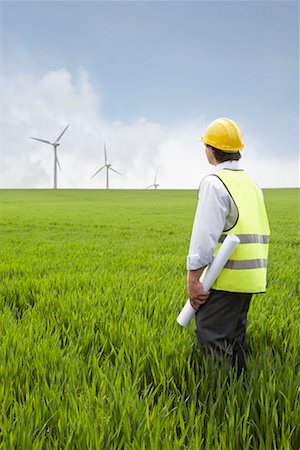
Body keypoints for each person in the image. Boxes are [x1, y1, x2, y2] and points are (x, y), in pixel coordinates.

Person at [187, 117, 270, 374]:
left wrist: (193, 278)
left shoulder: (215, 182)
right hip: (250, 279)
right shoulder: (251, 184)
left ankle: (220, 399)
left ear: (211, 150)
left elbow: (204, 236)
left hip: (224, 279)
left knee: (213, 339)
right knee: (235, 341)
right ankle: (242, 392)